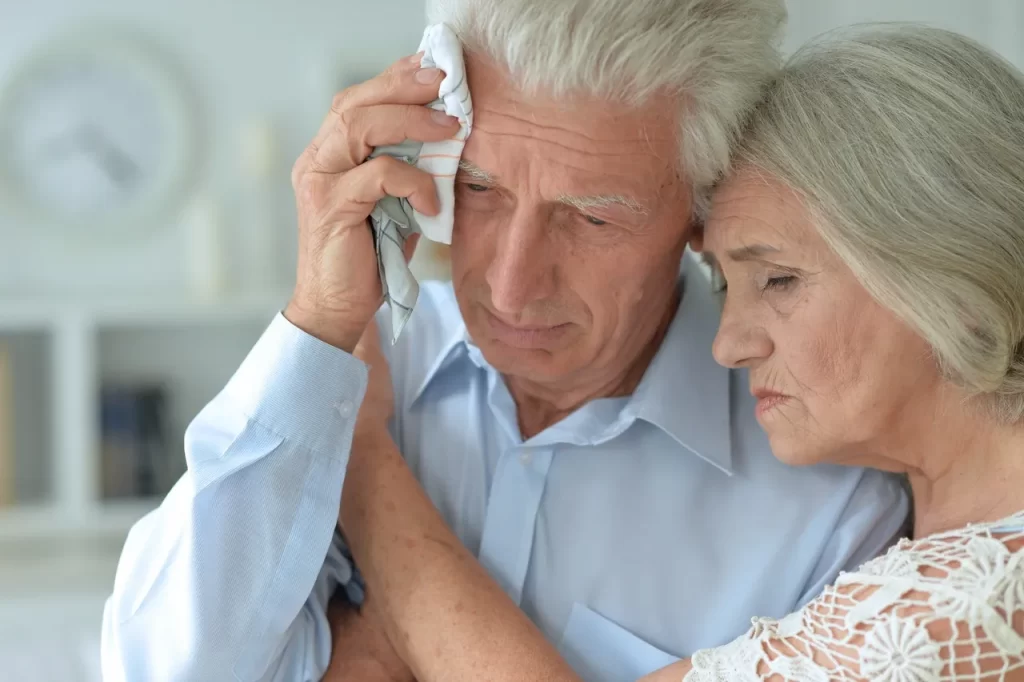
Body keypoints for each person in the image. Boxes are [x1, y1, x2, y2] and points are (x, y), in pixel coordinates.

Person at [99, 2, 909, 681]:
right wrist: (315, 322)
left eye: (592, 217)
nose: (512, 285)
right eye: (480, 189)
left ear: (704, 214)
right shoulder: (337, 375)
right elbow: (162, 668)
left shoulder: (832, 505)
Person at [332, 24, 1024, 682]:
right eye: (725, 283)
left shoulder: (970, 606)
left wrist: (358, 447)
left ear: (956, 280)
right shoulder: (933, 539)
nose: (728, 344)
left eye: (779, 280)